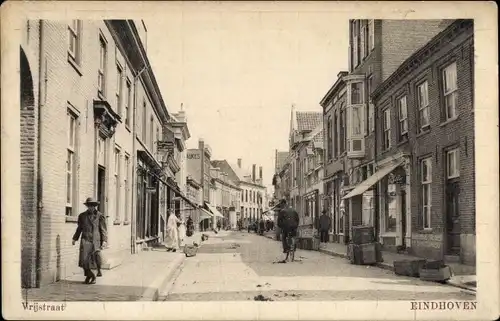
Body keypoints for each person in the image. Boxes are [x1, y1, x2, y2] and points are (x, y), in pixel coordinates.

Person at [72, 197, 108, 284]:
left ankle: (93, 276)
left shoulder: (100, 216)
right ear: (87, 206)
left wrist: (104, 240)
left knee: (94, 259)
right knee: (84, 260)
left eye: (92, 205)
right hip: (86, 239)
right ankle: (88, 275)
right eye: (89, 206)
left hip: (96, 240)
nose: (91, 207)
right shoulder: (82, 216)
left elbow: (103, 229)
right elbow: (79, 228)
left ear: (95, 206)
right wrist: (75, 238)